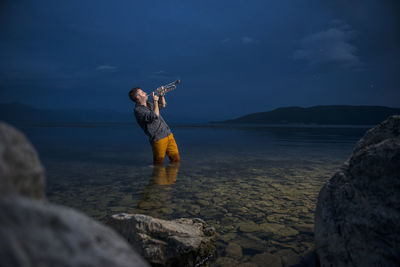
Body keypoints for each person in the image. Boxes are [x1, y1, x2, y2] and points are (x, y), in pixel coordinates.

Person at [129, 87, 180, 165]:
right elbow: (155, 115)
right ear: (138, 97)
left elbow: (163, 105)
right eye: (142, 92)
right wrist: (155, 101)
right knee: (158, 164)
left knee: (176, 161)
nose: (145, 93)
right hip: (158, 139)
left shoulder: (149, 104)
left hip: (168, 134)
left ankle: (172, 175)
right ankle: (157, 176)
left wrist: (161, 95)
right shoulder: (138, 110)